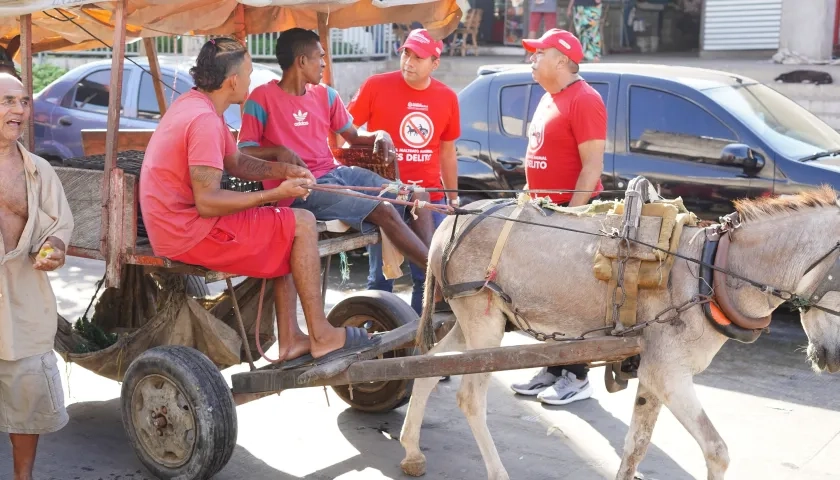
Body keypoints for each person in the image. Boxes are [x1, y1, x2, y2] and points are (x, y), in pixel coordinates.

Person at [139, 37, 379, 368]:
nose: (252, 81)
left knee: (286, 225)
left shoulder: (198, 104)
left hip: (179, 225)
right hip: (186, 233)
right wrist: (274, 193)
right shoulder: (204, 121)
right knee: (302, 222)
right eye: (249, 74)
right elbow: (207, 202)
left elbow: (235, 161)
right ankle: (320, 335)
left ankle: (293, 339)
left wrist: (281, 169)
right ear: (232, 80)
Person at [238, 28, 435, 282]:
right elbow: (243, 151)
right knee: (384, 209)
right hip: (301, 190)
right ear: (301, 61)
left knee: (419, 196)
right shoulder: (261, 98)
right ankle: (438, 275)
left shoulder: (326, 95)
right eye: (319, 57)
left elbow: (354, 137)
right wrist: (278, 151)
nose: (323, 63)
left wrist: (380, 135)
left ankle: (434, 278)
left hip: (337, 175)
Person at [509, 29, 606, 406]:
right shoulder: (549, 97)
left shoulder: (585, 99)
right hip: (542, 214)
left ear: (562, 60)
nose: (531, 60)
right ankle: (552, 368)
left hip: (570, 219)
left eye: (539, 53)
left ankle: (577, 376)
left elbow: (592, 166)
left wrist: (572, 218)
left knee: (572, 299)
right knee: (546, 298)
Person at [347, 28, 460, 316]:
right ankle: (376, 336)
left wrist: (453, 197)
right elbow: (345, 130)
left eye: (418, 57)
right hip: (385, 198)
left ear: (434, 63)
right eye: (406, 54)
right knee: (381, 276)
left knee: (427, 275)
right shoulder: (376, 85)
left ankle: (415, 340)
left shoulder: (447, 97)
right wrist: (370, 139)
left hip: (429, 199)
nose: (408, 62)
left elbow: (447, 151)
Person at [0, 72, 74, 480]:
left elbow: (59, 228)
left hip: (26, 305)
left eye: (24, 101)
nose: (19, 111)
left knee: (26, 403)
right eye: (8, 101)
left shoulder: (40, 170)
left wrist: (56, 249)